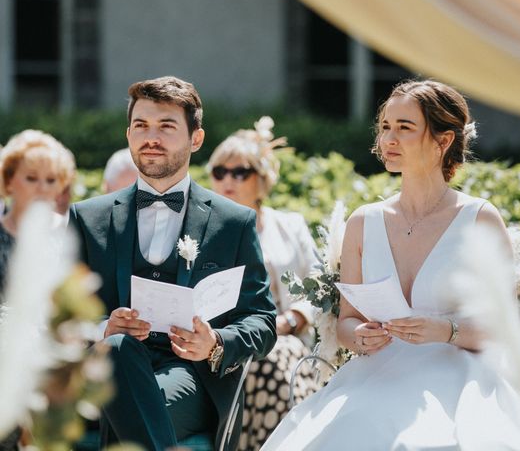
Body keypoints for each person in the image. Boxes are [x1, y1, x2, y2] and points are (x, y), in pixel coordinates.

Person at [262, 80, 520, 450]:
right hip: (375, 376)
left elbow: (503, 329)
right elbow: (347, 321)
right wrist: (359, 335)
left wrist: (444, 330)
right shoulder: (363, 222)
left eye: (404, 128)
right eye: (385, 127)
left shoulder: (480, 220)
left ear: (443, 141)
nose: (388, 139)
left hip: (462, 381)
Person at [68, 76, 277, 450]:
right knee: (117, 351)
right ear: (128, 134)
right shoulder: (87, 218)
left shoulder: (233, 222)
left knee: (133, 406)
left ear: (196, 139)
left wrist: (214, 342)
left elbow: (261, 320)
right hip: (102, 371)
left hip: (191, 377)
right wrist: (104, 328)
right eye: (141, 126)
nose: (152, 137)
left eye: (166, 126)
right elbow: (62, 314)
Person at [208, 117, 319, 450]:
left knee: (274, 355)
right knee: (258, 358)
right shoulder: (205, 232)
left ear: (262, 178)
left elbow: (317, 286)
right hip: (228, 340)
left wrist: (289, 321)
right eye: (219, 172)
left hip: (287, 335)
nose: (228, 180)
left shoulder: (290, 225)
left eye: (240, 172)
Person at [0, 129, 75, 450]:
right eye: (32, 178)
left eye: (51, 179)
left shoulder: (72, 237)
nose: (43, 189)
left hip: (55, 351)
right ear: (8, 183)